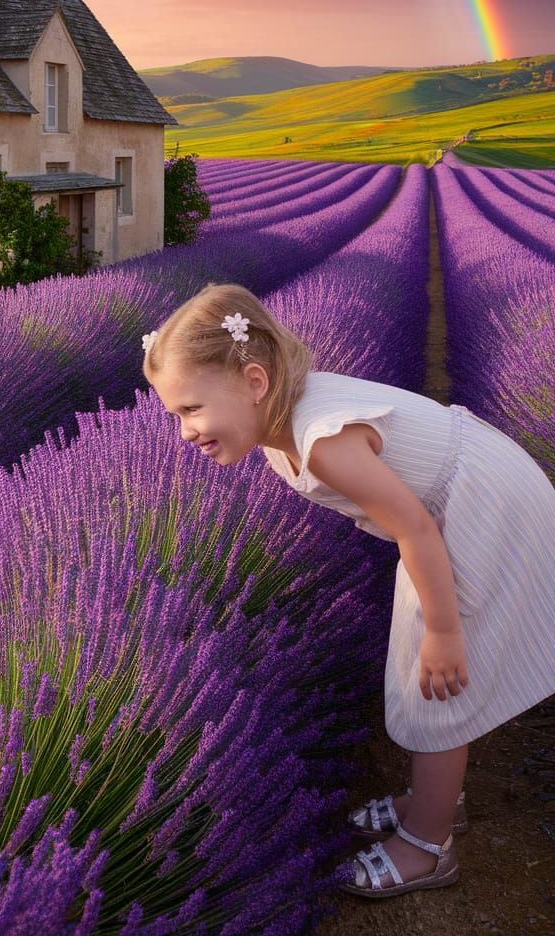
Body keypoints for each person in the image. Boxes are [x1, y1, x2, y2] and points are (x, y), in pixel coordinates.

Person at [142, 281, 555, 900]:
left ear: (254, 381)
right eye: (175, 415)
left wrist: (444, 631)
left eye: (191, 409)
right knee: (419, 672)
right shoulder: (280, 418)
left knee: (436, 685)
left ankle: (429, 845)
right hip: (450, 513)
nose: (184, 431)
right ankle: (435, 800)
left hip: (483, 513)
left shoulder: (322, 441)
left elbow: (414, 528)